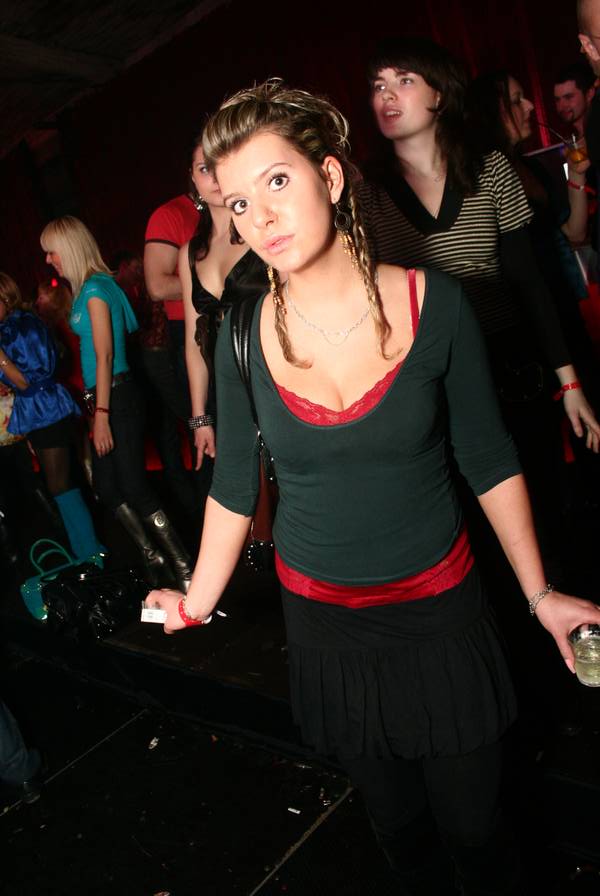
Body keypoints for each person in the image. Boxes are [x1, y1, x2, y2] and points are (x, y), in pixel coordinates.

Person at [145, 79, 600, 895]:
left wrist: (540, 596)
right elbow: (235, 484)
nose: (260, 218)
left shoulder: (437, 303)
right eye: (239, 203)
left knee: (477, 830)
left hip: (443, 618)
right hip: (327, 631)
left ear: (328, 176)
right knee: (398, 829)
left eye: (276, 181)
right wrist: (195, 601)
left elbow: (489, 458)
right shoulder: (242, 333)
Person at [359, 37, 600, 570]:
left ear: (439, 95)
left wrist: (570, 383)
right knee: (471, 530)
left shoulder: (489, 169)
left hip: (508, 366)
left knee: (542, 511)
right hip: (430, 380)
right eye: (378, 85)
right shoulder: (367, 196)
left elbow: (530, 284)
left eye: (404, 81)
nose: (386, 95)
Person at [39, 218, 193, 592]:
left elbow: (105, 354)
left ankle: (183, 564)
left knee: (133, 486)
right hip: (111, 396)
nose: (48, 260)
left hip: (117, 397)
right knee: (108, 486)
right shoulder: (92, 287)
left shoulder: (95, 289)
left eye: (51, 251)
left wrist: (102, 415)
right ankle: (152, 556)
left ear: (69, 248)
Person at [179, 135, 269, 478]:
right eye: (205, 169)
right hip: (227, 387)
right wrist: (200, 416)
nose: (215, 177)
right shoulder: (189, 253)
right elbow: (193, 341)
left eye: (219, 165)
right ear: (193, 178)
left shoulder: (259, 227)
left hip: (275, 374)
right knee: (246, 484)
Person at [0, 272, 104, 565]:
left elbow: (27, 381)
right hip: (40, 411)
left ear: (5, 297)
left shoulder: (21, 326)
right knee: (59, 486)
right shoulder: (13, 325)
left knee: (61, 486)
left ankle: (91, 554)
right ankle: (86, 553)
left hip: (47, 410)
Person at [553, 62, 596, 140]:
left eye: (568, 97)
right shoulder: (570, 141)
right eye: (557, 100)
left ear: (589, 94)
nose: (562, 105)